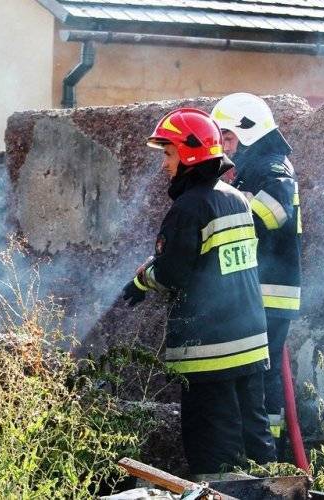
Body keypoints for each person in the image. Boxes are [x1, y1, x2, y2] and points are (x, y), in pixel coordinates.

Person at [121, 108, 276, 475]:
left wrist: (143, 280)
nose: (165, 165)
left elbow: (174, 272)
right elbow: (215, 260)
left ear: (189, 155)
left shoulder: (189, 207)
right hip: (250, 343)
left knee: (214, 452)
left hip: (210, 353)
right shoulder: (236, 199)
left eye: (168, 154)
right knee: (256, 443)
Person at [212, 93, 302, 444]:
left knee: (261, 376)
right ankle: (260, 448)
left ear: (249, 133)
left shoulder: (273, 166)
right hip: (258, 291)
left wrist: (223, 199)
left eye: (229, 138)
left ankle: (266, 454)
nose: (225, 147)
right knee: (255, 375)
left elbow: (275, 212)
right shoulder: (253, 167)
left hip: (271, 293)